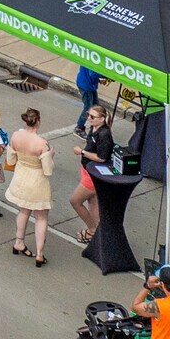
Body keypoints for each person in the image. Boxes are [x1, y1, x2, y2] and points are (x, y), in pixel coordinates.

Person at [6, 106, 56, 264]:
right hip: (37, 183)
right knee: (41, 217)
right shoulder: (42, 143)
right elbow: (48, 170)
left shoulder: (16, 136)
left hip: (21, 179)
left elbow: (11, 161)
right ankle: (40, 254)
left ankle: (19, 242)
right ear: (38, 122)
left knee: (23, 211)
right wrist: (51, 154)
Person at [71, 103, 115, 244]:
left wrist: (82, 152)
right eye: (88, 115)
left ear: (101, 119)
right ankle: (97, 230)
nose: (89, 118)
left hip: (93, 174)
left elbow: (101, 157)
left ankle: (92, 230)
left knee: (75, 201)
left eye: (92, 116)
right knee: (93, 201)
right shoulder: (94, 128)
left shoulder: (104, 134)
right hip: (87, 169)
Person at [76, 63, 104, 134]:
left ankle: (96, 125)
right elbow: (93, 74)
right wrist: (104, 77)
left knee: (96, 106)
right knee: (88, 107)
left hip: (88, 84)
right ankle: (79, 127)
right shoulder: (95, 59)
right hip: (86, 86)